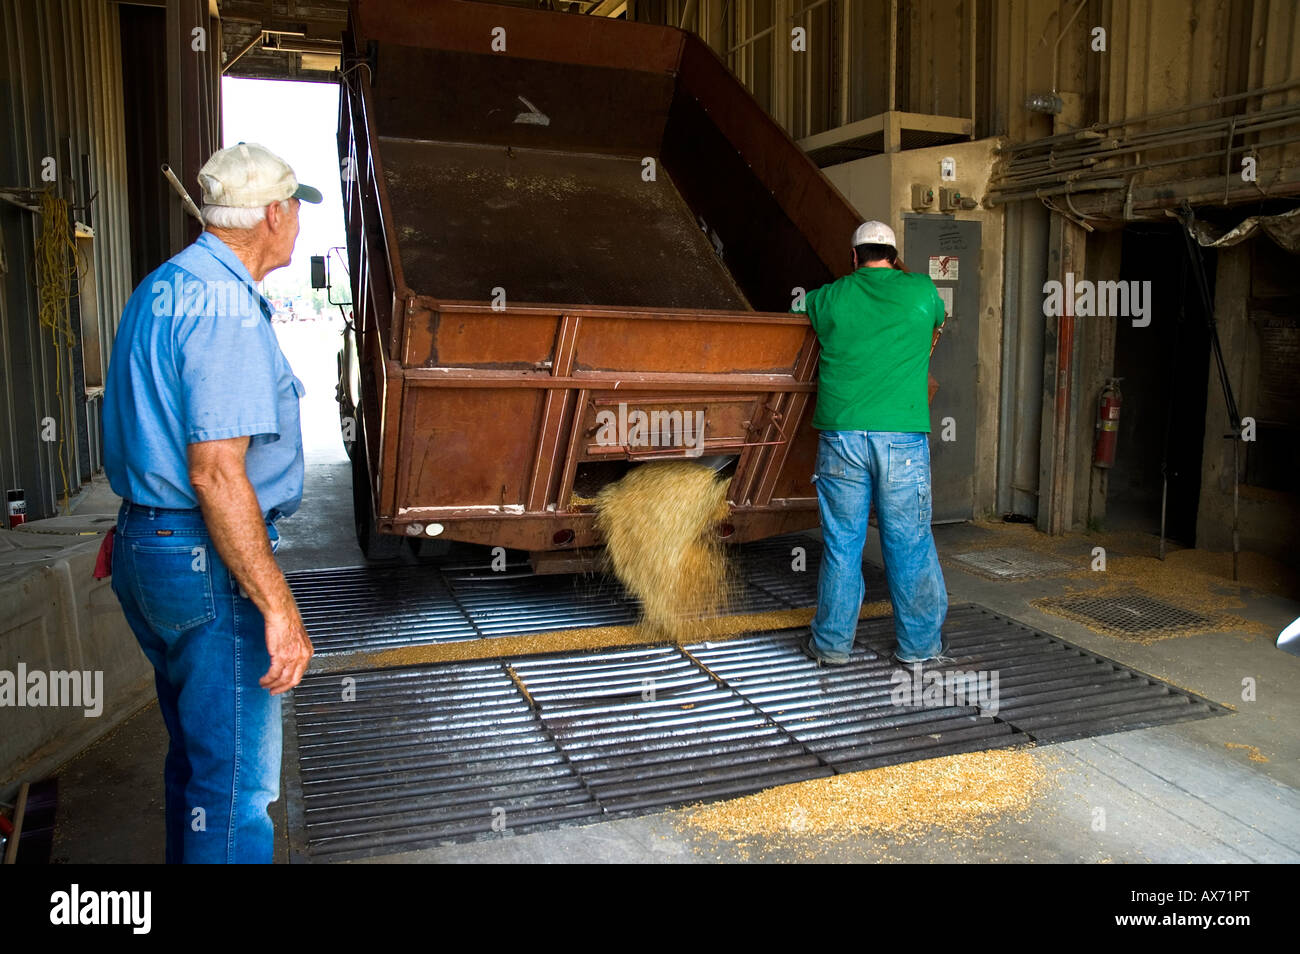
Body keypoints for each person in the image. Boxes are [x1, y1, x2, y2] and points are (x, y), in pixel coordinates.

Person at [101, 143, 321, 863]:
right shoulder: (225, 307)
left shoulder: (165, 285)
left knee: (200, 763)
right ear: (273, 214)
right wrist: (278, 606)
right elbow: (217, 475)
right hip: (201, 558)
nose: (297, 225)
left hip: (149, 545)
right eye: (295, 210)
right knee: (234, 792)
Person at [794, 220, 949, 667]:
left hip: (842, 437)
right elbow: (938, 319)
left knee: (843, 545)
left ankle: (831, 647)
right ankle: (918, 649)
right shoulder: (921, 291)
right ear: (894, 254)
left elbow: (791, 323)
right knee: (909, 542)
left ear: (853, 257)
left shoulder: (830, 297)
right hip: (901, 439)